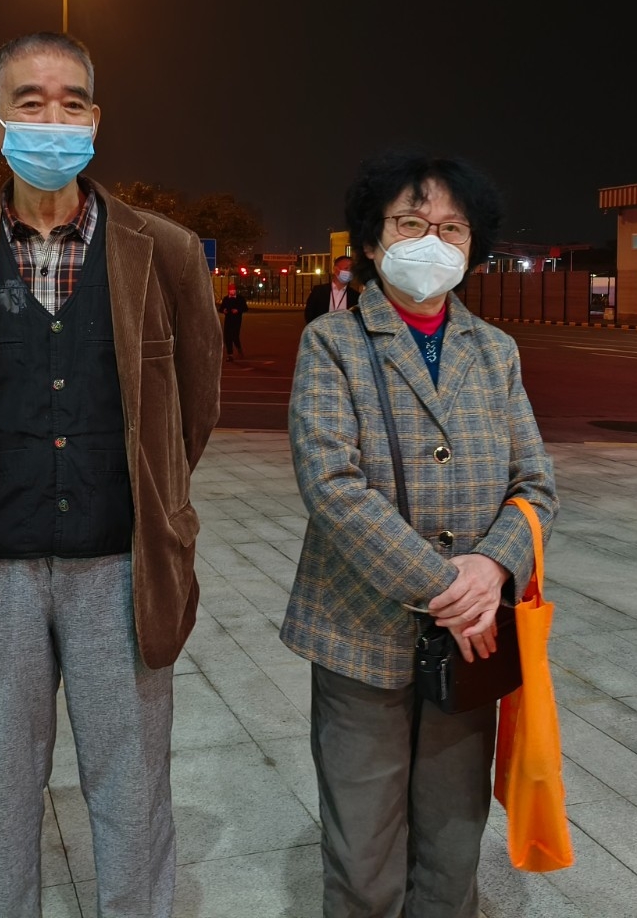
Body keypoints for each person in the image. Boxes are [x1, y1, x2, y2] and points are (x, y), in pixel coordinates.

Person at [0, 31, 222, 918]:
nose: (54, 118)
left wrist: (155, 500)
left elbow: (195, 403)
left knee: (132, 786)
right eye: (31, 101)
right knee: (0, 791)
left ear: (95, 118)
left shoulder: (163, 248)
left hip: (122, 564)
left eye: (72, 102)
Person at [284, 150, 557, 917]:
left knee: (452, 839)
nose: (432, 241)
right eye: (411, 223)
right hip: (361, 634)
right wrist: (450, 590)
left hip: (471, 647)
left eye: (452, 228)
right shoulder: (333, 343)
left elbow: (535, 486)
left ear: (473, 248)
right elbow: (332, 487)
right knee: (364, 854)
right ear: (374, 241)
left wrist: (493, 568)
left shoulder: (494, 351)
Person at [304, 255, 360, 323]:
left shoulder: (355, 296)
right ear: (335, 270)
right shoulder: (319, 291)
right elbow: (309, 314)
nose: (349, 272)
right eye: (346, 268)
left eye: (351, 270)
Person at [219, 283, 248, 360]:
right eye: (231, 290)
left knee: (235, 336)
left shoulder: (240, 299)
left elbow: (245, 308)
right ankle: (230, 354)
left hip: (237, 320)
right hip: (228, 320)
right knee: (227, 337)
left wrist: (237, 310)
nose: (232, 291)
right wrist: (223, 310)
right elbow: (221, 308)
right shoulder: (226, 299)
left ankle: (239, 348)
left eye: (233, 290)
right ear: (228, 291)